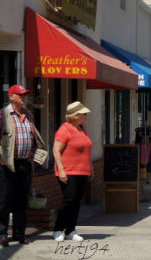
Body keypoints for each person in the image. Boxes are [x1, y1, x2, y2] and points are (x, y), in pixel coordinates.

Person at [0, 84, 45, 246]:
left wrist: (34, 155)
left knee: (21, 200)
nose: (24, 98)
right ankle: (2, 233)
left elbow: (33, 137)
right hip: (7, 164)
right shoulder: (3, 115)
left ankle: (19, 234)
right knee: (4, 200)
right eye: (20, 95)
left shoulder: (28, 114)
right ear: (11, 97)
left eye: (25, 95)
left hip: (25, 163)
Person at [52, 101, 93, 242]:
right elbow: (56, 150)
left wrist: (90, 167)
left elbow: (86, 150)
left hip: (82, 171)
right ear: (75, 115)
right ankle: (58, 229)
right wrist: (61, 171)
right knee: (68, 200)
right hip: (68, 171)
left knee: (76, 201)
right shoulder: (65, 129)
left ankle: (71, 230)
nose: (86, 116)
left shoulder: (82, 129)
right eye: (83, 114)